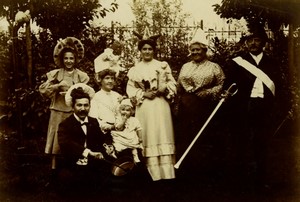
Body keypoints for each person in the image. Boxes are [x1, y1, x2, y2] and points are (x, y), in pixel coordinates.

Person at [224, 27, 278, 189]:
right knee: (240, 142)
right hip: (242, 108)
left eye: (257, 40)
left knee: (262, 142)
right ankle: (240, 179)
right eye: (250, 40)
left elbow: (279, 86)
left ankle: (261, 179)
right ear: (246, 43)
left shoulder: (271, 62)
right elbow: (229, 85)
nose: (253, 43)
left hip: (264, 107)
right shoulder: (237, 62)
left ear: (263, 43)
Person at [126, 28, 177, 181]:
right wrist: (143, 94)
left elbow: (172, 83)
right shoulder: (135, 69)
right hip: (145, 106)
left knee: (162, 131)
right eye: (144, 49)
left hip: (160, 105)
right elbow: (130, 88)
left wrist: (165, 90)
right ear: (140, 51)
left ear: (154, 50)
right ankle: (149, 174)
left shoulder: (162, 66)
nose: (147, 51)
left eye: (150, 49)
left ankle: (166, 173)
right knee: (146, 133)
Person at [176, 29, 225, 175]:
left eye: (198, 49)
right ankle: (187, 168)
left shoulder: (214, 67)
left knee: (204, 136)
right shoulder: (186, 66)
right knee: (186, 136)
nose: (195, 52)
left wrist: (208, 92)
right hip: (186, 106)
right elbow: (179, 86)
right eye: (193, 50)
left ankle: (205, 169)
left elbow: (221, 84)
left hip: (205, 106)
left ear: (204, 50)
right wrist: (177, 103)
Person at [39, 37, 89, 172]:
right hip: (58, 110)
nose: (68, 61)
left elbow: (84, 93)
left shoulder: (81, 76)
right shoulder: (55, 74)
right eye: (66, 58)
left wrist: (72, 92)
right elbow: (43, 90)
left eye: (71, 58)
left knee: (74, 137)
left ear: (76, 59)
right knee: (56, 136)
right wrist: (57, 86)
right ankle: (54, 168)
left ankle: (74, 165)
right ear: (62, 59)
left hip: (74, 112)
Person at [57, 83, 112, 188]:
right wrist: (89, 153)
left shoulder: (93, 121)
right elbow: (66, 143)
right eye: (79, 105)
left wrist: (108, 146)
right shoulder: (65, 124)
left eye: (86, 105)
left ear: (90, 106)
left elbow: (102, 138)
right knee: (71, 183)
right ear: (73, 106)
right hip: (73, 164)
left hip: (92, 164)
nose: (83, 109)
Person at [89, 47, 123, 134]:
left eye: (112, 78)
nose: (110, 81)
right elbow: (94, 117)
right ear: (100, 79)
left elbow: (121, 114)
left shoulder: (117, 96)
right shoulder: (95, 97)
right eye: (107, 78)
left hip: (119, 130)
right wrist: (107, 126)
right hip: (103, 131)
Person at [110, 98, 143, 163]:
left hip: (130, 135)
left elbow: (139, 129)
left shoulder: (134, 120)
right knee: (118, 145)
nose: (125, 112)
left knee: (133, 141)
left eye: (127, 110)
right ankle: (116, 152)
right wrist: (123, 120)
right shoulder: (118, 119)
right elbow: (118, 128)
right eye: (123, 110)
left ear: (131, 112)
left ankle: (135, 155)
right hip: (121, 135)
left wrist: (140, 138)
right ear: (119, 111)